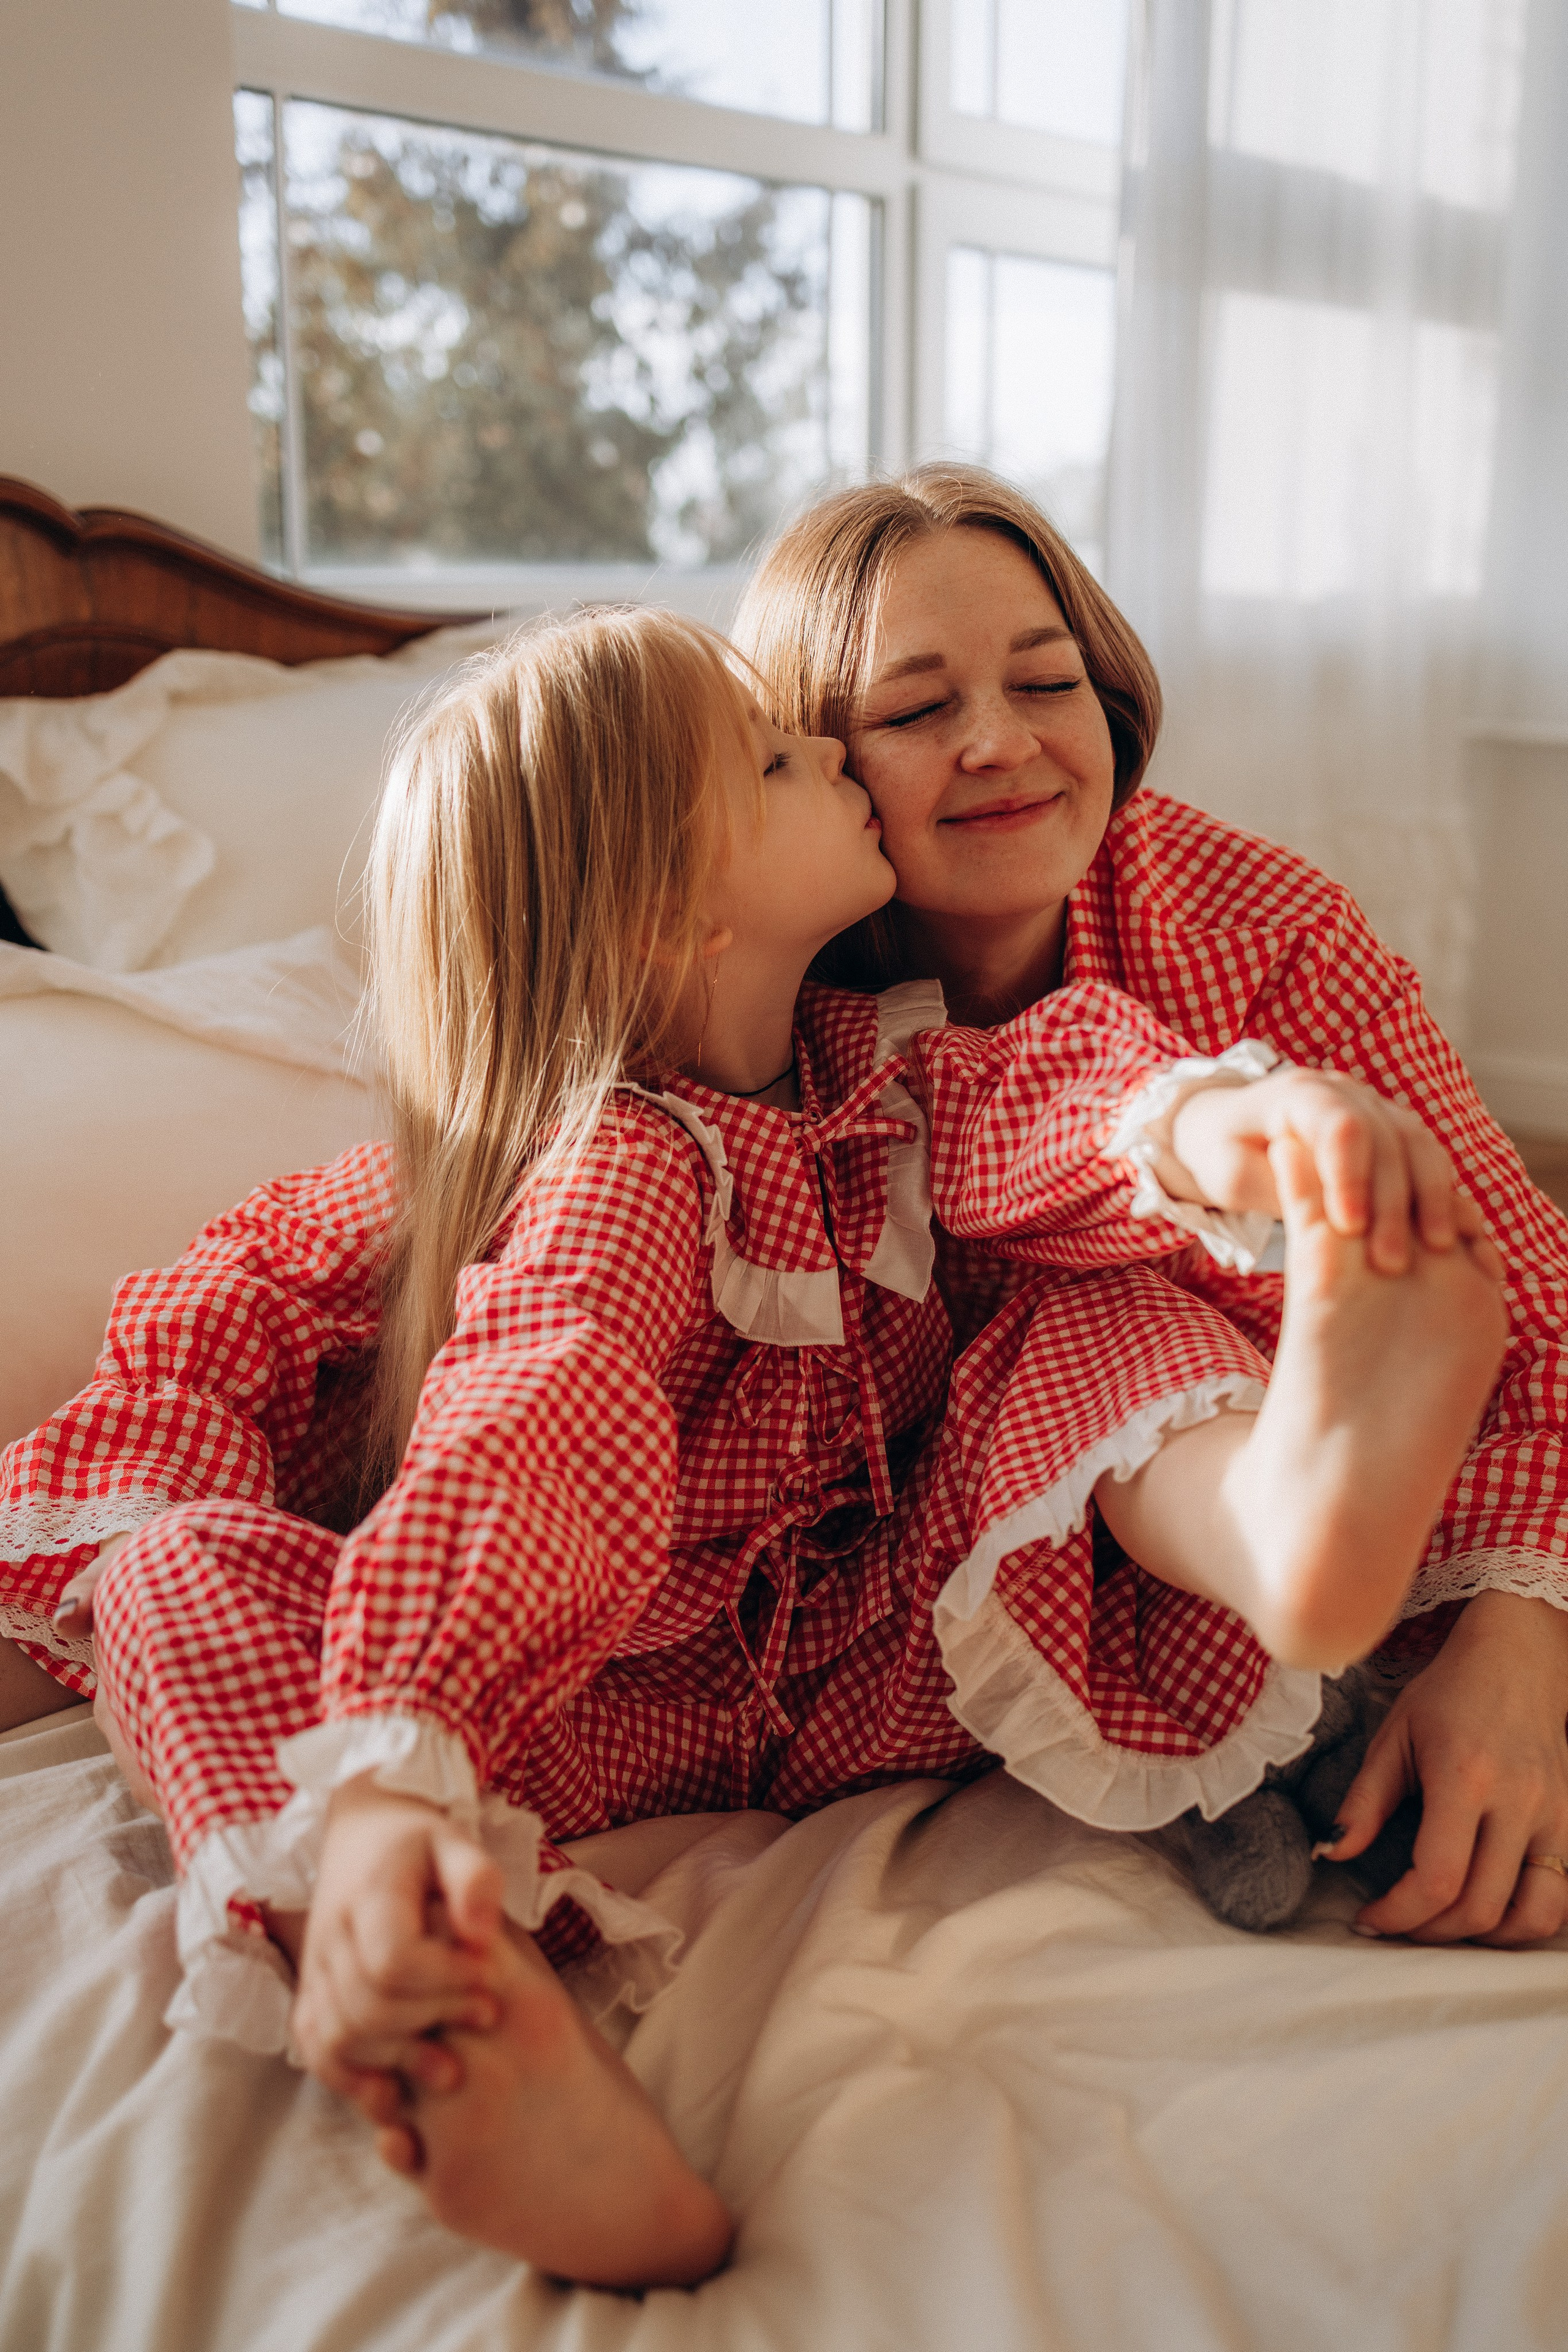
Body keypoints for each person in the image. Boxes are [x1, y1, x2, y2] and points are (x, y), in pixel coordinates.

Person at [0, 608, 1502, 2288]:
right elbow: (537, 1423)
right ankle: (435, 1956)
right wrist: (404, 1751)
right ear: (671, 897)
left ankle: (1293, 1535)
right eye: (786, 758)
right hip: (578, 1709)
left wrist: (1232, 1128)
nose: (848, 762)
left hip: (872, 1658)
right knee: (180, 1573)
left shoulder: (888, 1081)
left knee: (1079, 1316)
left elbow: (1052, 1110)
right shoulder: (614, 1172)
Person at [732, 462, 1568, 1952]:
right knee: (1090, 1309)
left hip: (1302, 1499)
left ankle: (1307, 1585)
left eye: (1044, 681)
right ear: (810, 756)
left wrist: (1517, 1641)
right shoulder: (758, 990)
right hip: (919, 1580)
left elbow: (1526, 1298)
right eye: (917, 710)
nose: (999, 742)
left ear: (1107, 695)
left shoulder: (1257, 925)